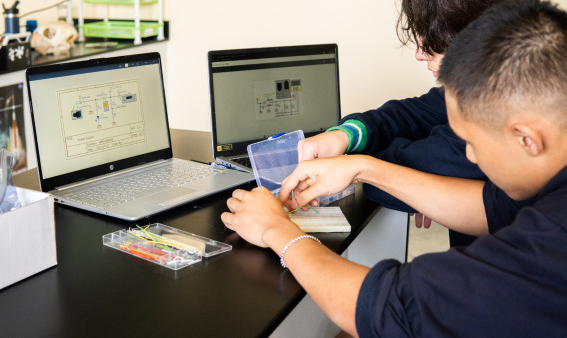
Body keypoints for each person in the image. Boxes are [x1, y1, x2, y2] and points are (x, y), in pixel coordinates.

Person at [222, 0, 567, 335]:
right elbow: (497, 207)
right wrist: (358, 161)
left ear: (527, 139)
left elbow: (390, 307)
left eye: (472, 144)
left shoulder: (549, 245)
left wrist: (276, 230)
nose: (471, 158)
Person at [300, 0, 503, 245]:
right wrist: (345, 135)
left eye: (433, 37)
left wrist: (357, 168)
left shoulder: (504, 106)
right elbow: (413, 113)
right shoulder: (485, 83)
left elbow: (406, 171)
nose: (419, 54)